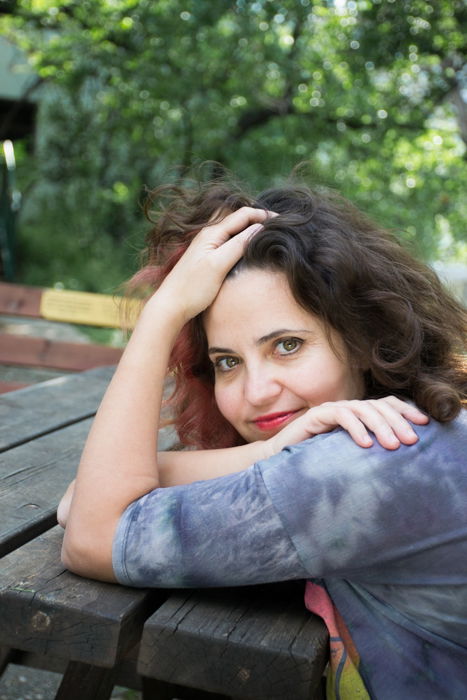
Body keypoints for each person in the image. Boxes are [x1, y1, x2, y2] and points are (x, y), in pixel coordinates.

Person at [58, 179, 467, 699]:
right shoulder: (418, 430)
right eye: (227, 362)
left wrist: (161, 314)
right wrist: (273, 450)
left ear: (363, 339)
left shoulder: (365, 466)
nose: (255, 391)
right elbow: (91, 496)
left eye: (288, 346)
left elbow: (93, 531)